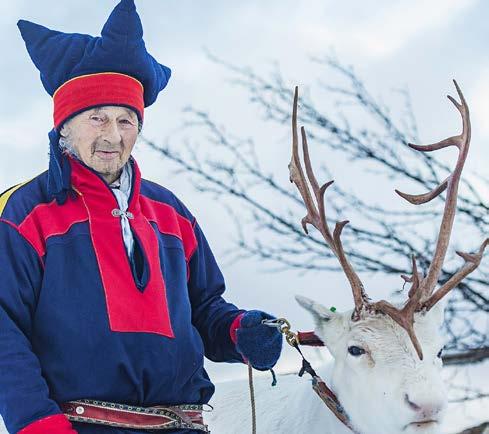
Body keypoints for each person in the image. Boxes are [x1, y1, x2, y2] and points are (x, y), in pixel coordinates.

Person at [0, 1, 282, 433]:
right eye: (96, 118)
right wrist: (37, 423)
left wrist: (241, 332)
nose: (113, 135)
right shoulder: (24, 214)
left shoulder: (170, 212)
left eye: (126, 120)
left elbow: (205, 309)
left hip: (183, 424)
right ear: (64, 127)